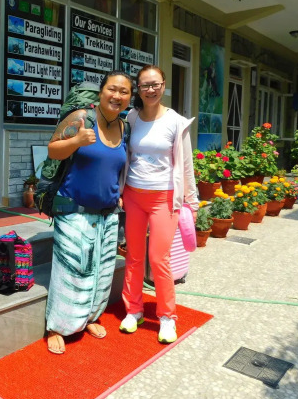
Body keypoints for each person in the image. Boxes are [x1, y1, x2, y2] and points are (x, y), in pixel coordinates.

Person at [45, 71, 133, 354]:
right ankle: (58, 326)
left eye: (124, 92)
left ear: (130, 97)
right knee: (72, 269)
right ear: (101, 91)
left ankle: (89, 318)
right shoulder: (82, 117)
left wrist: (119, 195)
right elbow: (53, 150)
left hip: (108, 212)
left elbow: (117, 167)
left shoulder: (124, 127)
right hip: (73, 208)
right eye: (112, 89)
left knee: (101, 270)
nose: (117, 96)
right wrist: (76, 141)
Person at [119, 64, 199, 344]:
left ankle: (167, 317)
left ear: (164, 85)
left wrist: (192, 201)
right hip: (133, 195)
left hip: (164, 198)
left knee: (158, 259)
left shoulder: (176, 121)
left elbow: (186, 165)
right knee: (133, 256)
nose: (150, 90)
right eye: (145, 85)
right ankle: (134, 310)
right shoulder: (131, 117)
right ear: (138, 88)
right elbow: (125, 155)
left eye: (155, 84)